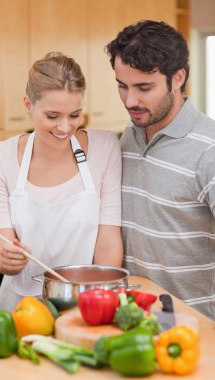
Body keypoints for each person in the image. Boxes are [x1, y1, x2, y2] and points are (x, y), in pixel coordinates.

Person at [0, 52, 123, 310]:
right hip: (19, 310)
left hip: (84, 305)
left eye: (74, 115)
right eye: (52, 115)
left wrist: (101, 303)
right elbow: (0, 247)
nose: (64, 127)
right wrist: (7, 259)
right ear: (28, 105)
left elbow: (108, 242)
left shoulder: (105, 148)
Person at [106, 20, 215, 320]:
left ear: (178, 77)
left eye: (144, 87)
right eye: (122, 86)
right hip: (132, 322)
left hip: (194, 329)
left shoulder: (209, 150)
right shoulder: (129, 136)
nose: (130, 101)